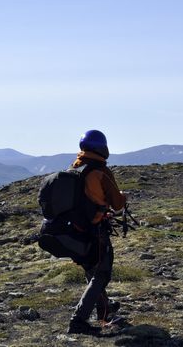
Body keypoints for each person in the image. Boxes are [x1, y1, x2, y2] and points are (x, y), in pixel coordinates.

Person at [67, 130, 126, 335]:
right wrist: (123, 197)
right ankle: (78, 320)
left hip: (75, 229)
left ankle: (105, 311)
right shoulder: (101, 171)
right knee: (101, 273)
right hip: (96, 230)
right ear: (102, 148)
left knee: (92, 271)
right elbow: (117, 205)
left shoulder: (76, 168)